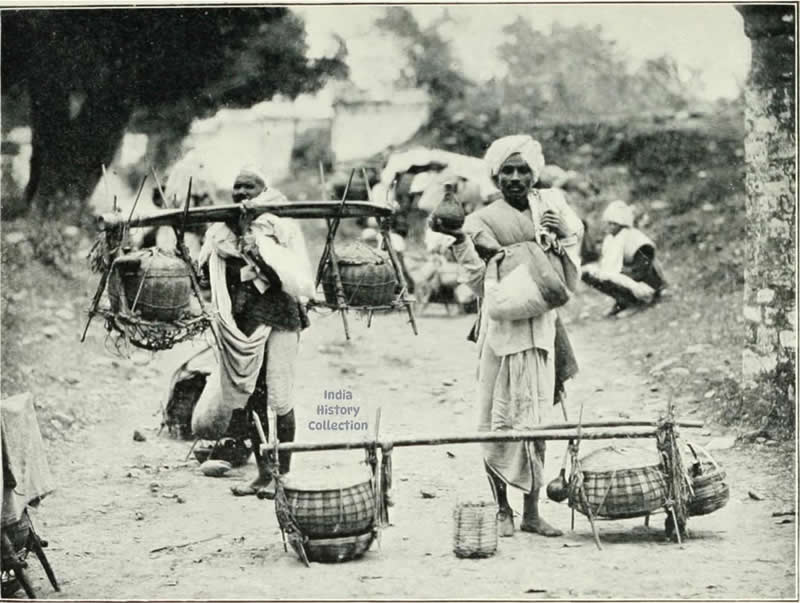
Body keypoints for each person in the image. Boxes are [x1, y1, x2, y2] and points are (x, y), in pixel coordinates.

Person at [430, 135, 583, 538]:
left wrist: (561, 236)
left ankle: (531, 512)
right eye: (507, 171)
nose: (516, 178)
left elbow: (569, 270)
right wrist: (461, 242)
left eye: (523, 170)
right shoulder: (481, 220)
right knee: (494, 418)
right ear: (495, 175)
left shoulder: (550, 208)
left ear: (535, 173)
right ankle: (502, 509)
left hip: (542, 330)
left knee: (535, 420)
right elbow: (481, 283)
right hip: (500, 330)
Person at [191, 165, 314, 499]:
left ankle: (282, 476)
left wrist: (252, 243)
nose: (242, 194)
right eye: (237, 189)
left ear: (263, 190)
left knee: (279, 397)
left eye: (249, 188)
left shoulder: (276, 225)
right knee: (252, 399)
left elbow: (285, 277)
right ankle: (263, 474)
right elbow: (207, 274)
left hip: (280, 319)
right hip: (245, 325)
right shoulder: (220, 233)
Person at [581, 200, 667, 316]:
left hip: (647, 279)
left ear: (622, 224)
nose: (609, 227)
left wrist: (617, 274)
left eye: (613, 224)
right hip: (630, 274)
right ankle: (622, 301)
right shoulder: (611, 238)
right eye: (608, 223)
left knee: (609, 276)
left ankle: (637, 302)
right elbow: (608, 262)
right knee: (588, 274)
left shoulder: (636, 240)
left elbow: (642, 269)